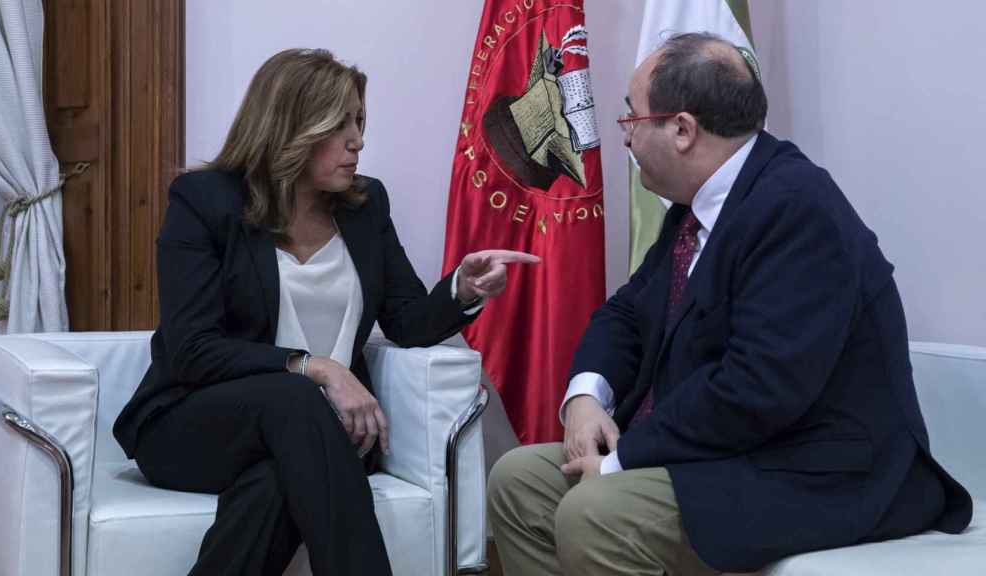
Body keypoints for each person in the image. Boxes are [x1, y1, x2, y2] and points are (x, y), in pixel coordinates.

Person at [487, 32, 972, 576]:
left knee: (595, 511)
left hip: (818, 471)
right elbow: (627, 314)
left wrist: (621, 461)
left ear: (682, 129)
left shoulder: (797, 209)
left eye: (631, 119)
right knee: (519, 482)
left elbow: (758, 389)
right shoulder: (698, 209)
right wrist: (584, 398)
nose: (623, 139)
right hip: (736, 452)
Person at [112, 48, 537, 576]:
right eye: (340, 125)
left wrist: (462, 290)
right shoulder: (205, 202)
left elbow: (407, 320)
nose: (358, 140)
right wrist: (316, 367)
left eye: (359, 121)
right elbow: (193, 349)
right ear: (290, 126)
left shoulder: (366, 206)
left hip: (319, 434)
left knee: (276, 481)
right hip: (194, 423)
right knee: (298, 401)